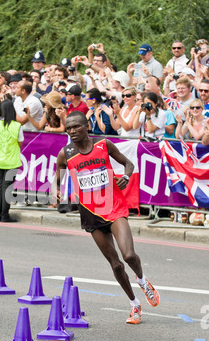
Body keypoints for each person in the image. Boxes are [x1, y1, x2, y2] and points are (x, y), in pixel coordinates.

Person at [56, 111, 160, 324]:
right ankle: (134, 305)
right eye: (68, 128)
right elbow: (58, 171)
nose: (72, 131)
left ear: (87, 126)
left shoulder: (104, 145)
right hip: (91, 215)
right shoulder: (65, 153)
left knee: (129, 255)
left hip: (114, 207)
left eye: (76, 127)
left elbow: (129, 164)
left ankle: (142, 280)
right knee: (116, 265)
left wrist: (126, 177)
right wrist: (56, 188)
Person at [0, 99, 23, 222]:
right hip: (11, 161)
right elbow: (20, 142)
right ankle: (5, 215)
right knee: (7, 188)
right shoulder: (16, 126)